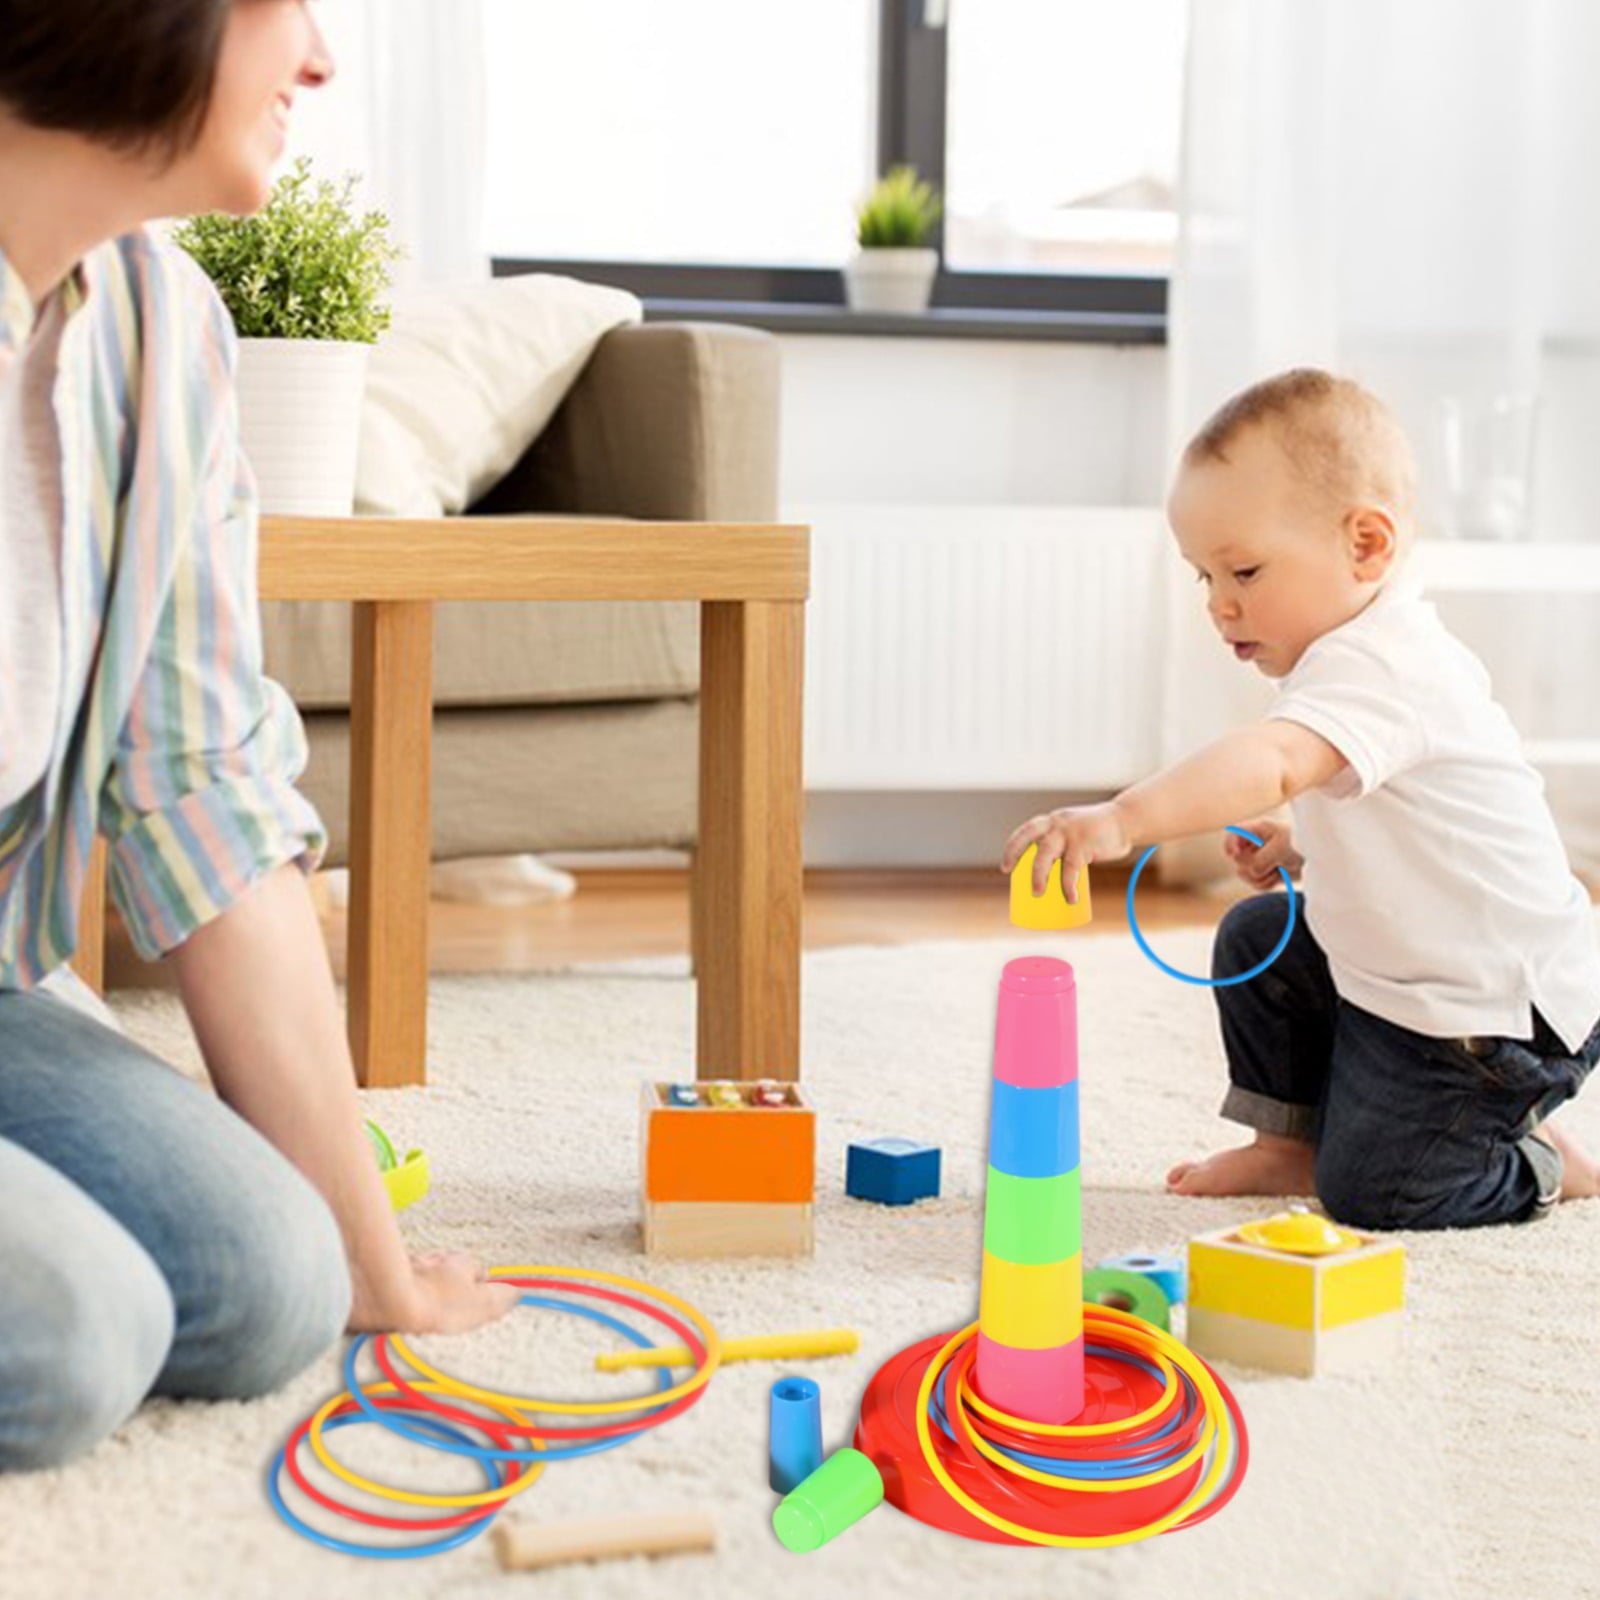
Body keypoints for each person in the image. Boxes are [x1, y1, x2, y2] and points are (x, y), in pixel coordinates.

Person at [0, 0, 518, 1473]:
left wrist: (378, 1271)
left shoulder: (161, 331)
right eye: (283, 2)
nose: (320, 57)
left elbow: (208, 791)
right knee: (69, 1334)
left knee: (277, 1282)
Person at [1001, 368, 1600, 1230]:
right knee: (1261, 938)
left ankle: (1539, 1163)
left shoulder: (1387, 663)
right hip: (1405, 977)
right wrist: (1300, 842)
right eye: (1204, 578)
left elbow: (1277, 758)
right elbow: (1404, 822)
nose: (1220, 604)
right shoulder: (1346, 657)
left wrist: (1124, 818)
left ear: (1366, 545)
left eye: (1243, 570)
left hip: (1490, 1021)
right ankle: (1288, 1144)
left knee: (1379, 1191)